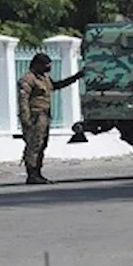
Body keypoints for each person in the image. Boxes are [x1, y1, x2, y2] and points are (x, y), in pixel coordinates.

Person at [18, 52, 83, 184]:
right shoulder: (28, 79)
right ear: (37, 65)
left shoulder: (44, 78)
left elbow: (57, 85)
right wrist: (26, 120)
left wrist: (76, 77)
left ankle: (38, 172)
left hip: (45, 116)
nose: (48, 67)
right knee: (34, 145)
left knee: (42, 144)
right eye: (45, 65)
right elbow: (23, 101)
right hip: (35, 117)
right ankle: (32, 174)